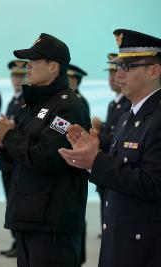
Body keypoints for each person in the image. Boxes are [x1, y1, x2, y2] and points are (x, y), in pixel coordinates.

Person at [0, 33, 91, 267]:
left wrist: (9, 136)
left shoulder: (67, 107)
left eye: (33, 61)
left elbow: (48, 157)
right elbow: (19, 155)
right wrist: (2, 142)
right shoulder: (34, 103)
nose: (27, 66)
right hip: (30, 216)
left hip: (52, 224)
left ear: (53, 67)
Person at [59, 29, 161, 267]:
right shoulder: (128, 116)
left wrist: (96, 161)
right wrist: (87, 160)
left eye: (128, 66)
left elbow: (153, 184)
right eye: (117, 66)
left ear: (154, 70)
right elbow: (118, 172)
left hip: (144, 247)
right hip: (119, 237)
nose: (118, 73)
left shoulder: (157, 119)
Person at [92, 53, 131, 235]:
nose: (114, 77)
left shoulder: (128, 104)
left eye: (119, 70)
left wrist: (98, 133)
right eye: (111, 73)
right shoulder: (112, 104)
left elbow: (117, 139)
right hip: (107, 164)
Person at [0, 59, 27, 258]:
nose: (17, 79)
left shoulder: (26, 100)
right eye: (14, 75)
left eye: (21, 75)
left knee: (18, 204)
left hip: (17, 158)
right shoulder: (13, 100)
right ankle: (16, 240)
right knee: (11, 202)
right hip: (7, 160)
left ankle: (20, 242)